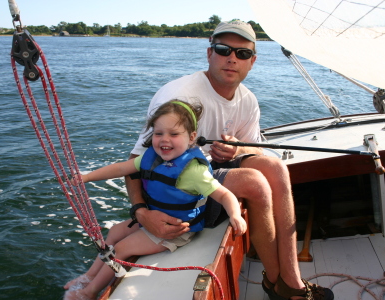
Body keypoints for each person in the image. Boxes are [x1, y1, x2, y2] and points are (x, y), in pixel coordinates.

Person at [125, 20, 334, 300]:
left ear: (252, 61)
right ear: (209, 53)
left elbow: (256, 151)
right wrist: (141, 212)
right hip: (181, 194)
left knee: (275, 167)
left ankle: (292, 278)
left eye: (242, 53)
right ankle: (277, 284)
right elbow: (136, 159)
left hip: (211, 173)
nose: (232, 58)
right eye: (223, 49)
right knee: (256, 183)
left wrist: (236, 151)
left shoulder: (247, 101)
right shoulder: (181, 96)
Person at [63, 100, 247, 300]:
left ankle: (89, 292)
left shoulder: (194, 171)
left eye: (174, 134)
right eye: (158, 133)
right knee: (116, 231)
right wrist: (86, 177)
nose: (164, 140)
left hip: (175, 230)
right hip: (151, 219)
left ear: (192, 137)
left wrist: (235, 214)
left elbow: (224, 194)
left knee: (122, 249)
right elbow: (120, 169)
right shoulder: (151, 157)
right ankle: (89, 276)